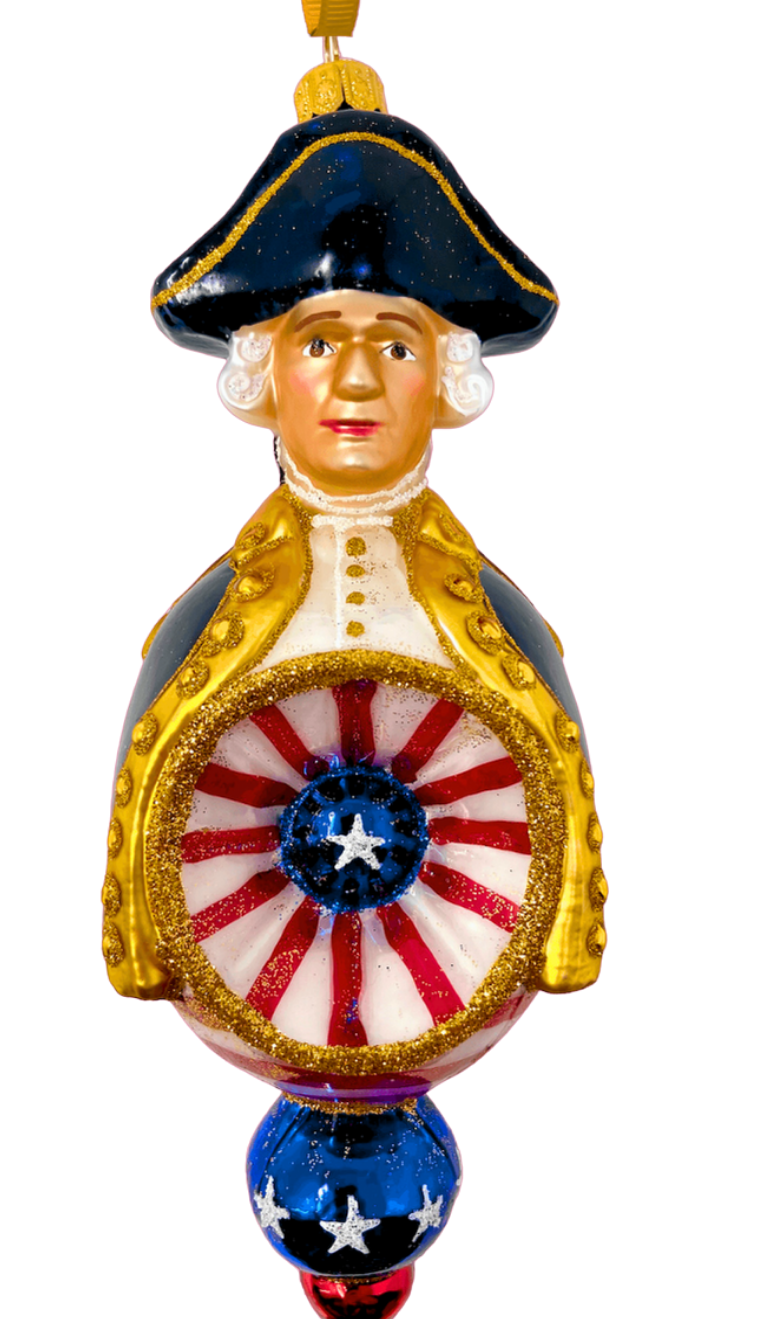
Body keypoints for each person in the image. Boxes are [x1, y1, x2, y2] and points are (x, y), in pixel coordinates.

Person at [102, 69, 606, 1100]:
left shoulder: (494, 619)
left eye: (396, 344)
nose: (357, 381)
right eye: (320, 340)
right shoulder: (209, 620)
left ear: (447, 379)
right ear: (263, 374)